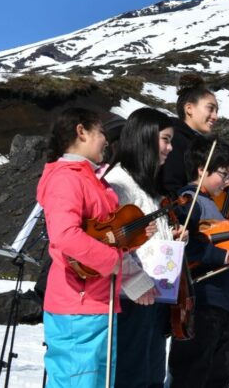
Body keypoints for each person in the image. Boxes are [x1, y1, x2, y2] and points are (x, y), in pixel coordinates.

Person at [36, 107, 128, 387]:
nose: (106, 141)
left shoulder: (88, 177)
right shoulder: (67, 177)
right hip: (78, 305)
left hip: (96, 302)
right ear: (81, 131)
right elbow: (65, 235)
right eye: (101, 133)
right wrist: (110, 260)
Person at [167, 137, 229, 388]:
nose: (228, 182)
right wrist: (223, 256)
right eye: (223, 174)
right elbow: (187, 246)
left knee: (219, 374)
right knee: (194, 372)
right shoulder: (189, 201)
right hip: (199, 299)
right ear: (202, 169)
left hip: (217, 301)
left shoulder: (212, 204)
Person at [106, 107, 177, 388]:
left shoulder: (146, 187)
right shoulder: (118, 184)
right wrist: (134, 281)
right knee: (132, 376)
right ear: (145, 138)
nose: (170, 148)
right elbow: (110, 243)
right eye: (165, 140)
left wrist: (170, 238)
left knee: (151, 377)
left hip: (152, 295)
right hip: (130, 296)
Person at [161, 73, 218, 195]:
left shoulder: (199, 143)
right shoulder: (175, 140)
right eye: (210, 109)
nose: (215, 116)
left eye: (216, 111)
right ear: (189, 109)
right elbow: (171, 187)